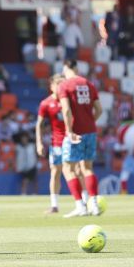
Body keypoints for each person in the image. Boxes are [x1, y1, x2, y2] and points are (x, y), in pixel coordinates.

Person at [58, 59, 103, 218]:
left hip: (75, 132)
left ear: (66, 68)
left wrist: (69, 131)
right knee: (87, 168)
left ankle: (80, 206)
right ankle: (94, 205)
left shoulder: (64, 85)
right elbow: (99, 109)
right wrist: (90, 122)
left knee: (67, 168)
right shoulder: (89, 84)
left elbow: (66, 110)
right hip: (90, 131)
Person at [36, 75, 66, 214]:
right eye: (58, 84)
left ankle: (83, 201)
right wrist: (39, 142)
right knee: (55, 172)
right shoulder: (46, 103)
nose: (60, 87)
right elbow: (39, 124)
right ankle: (54, 205)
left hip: (72, 141)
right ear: (52, 86)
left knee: (77, 171)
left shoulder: (69, 100)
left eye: (63, 84)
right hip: (57, 143)